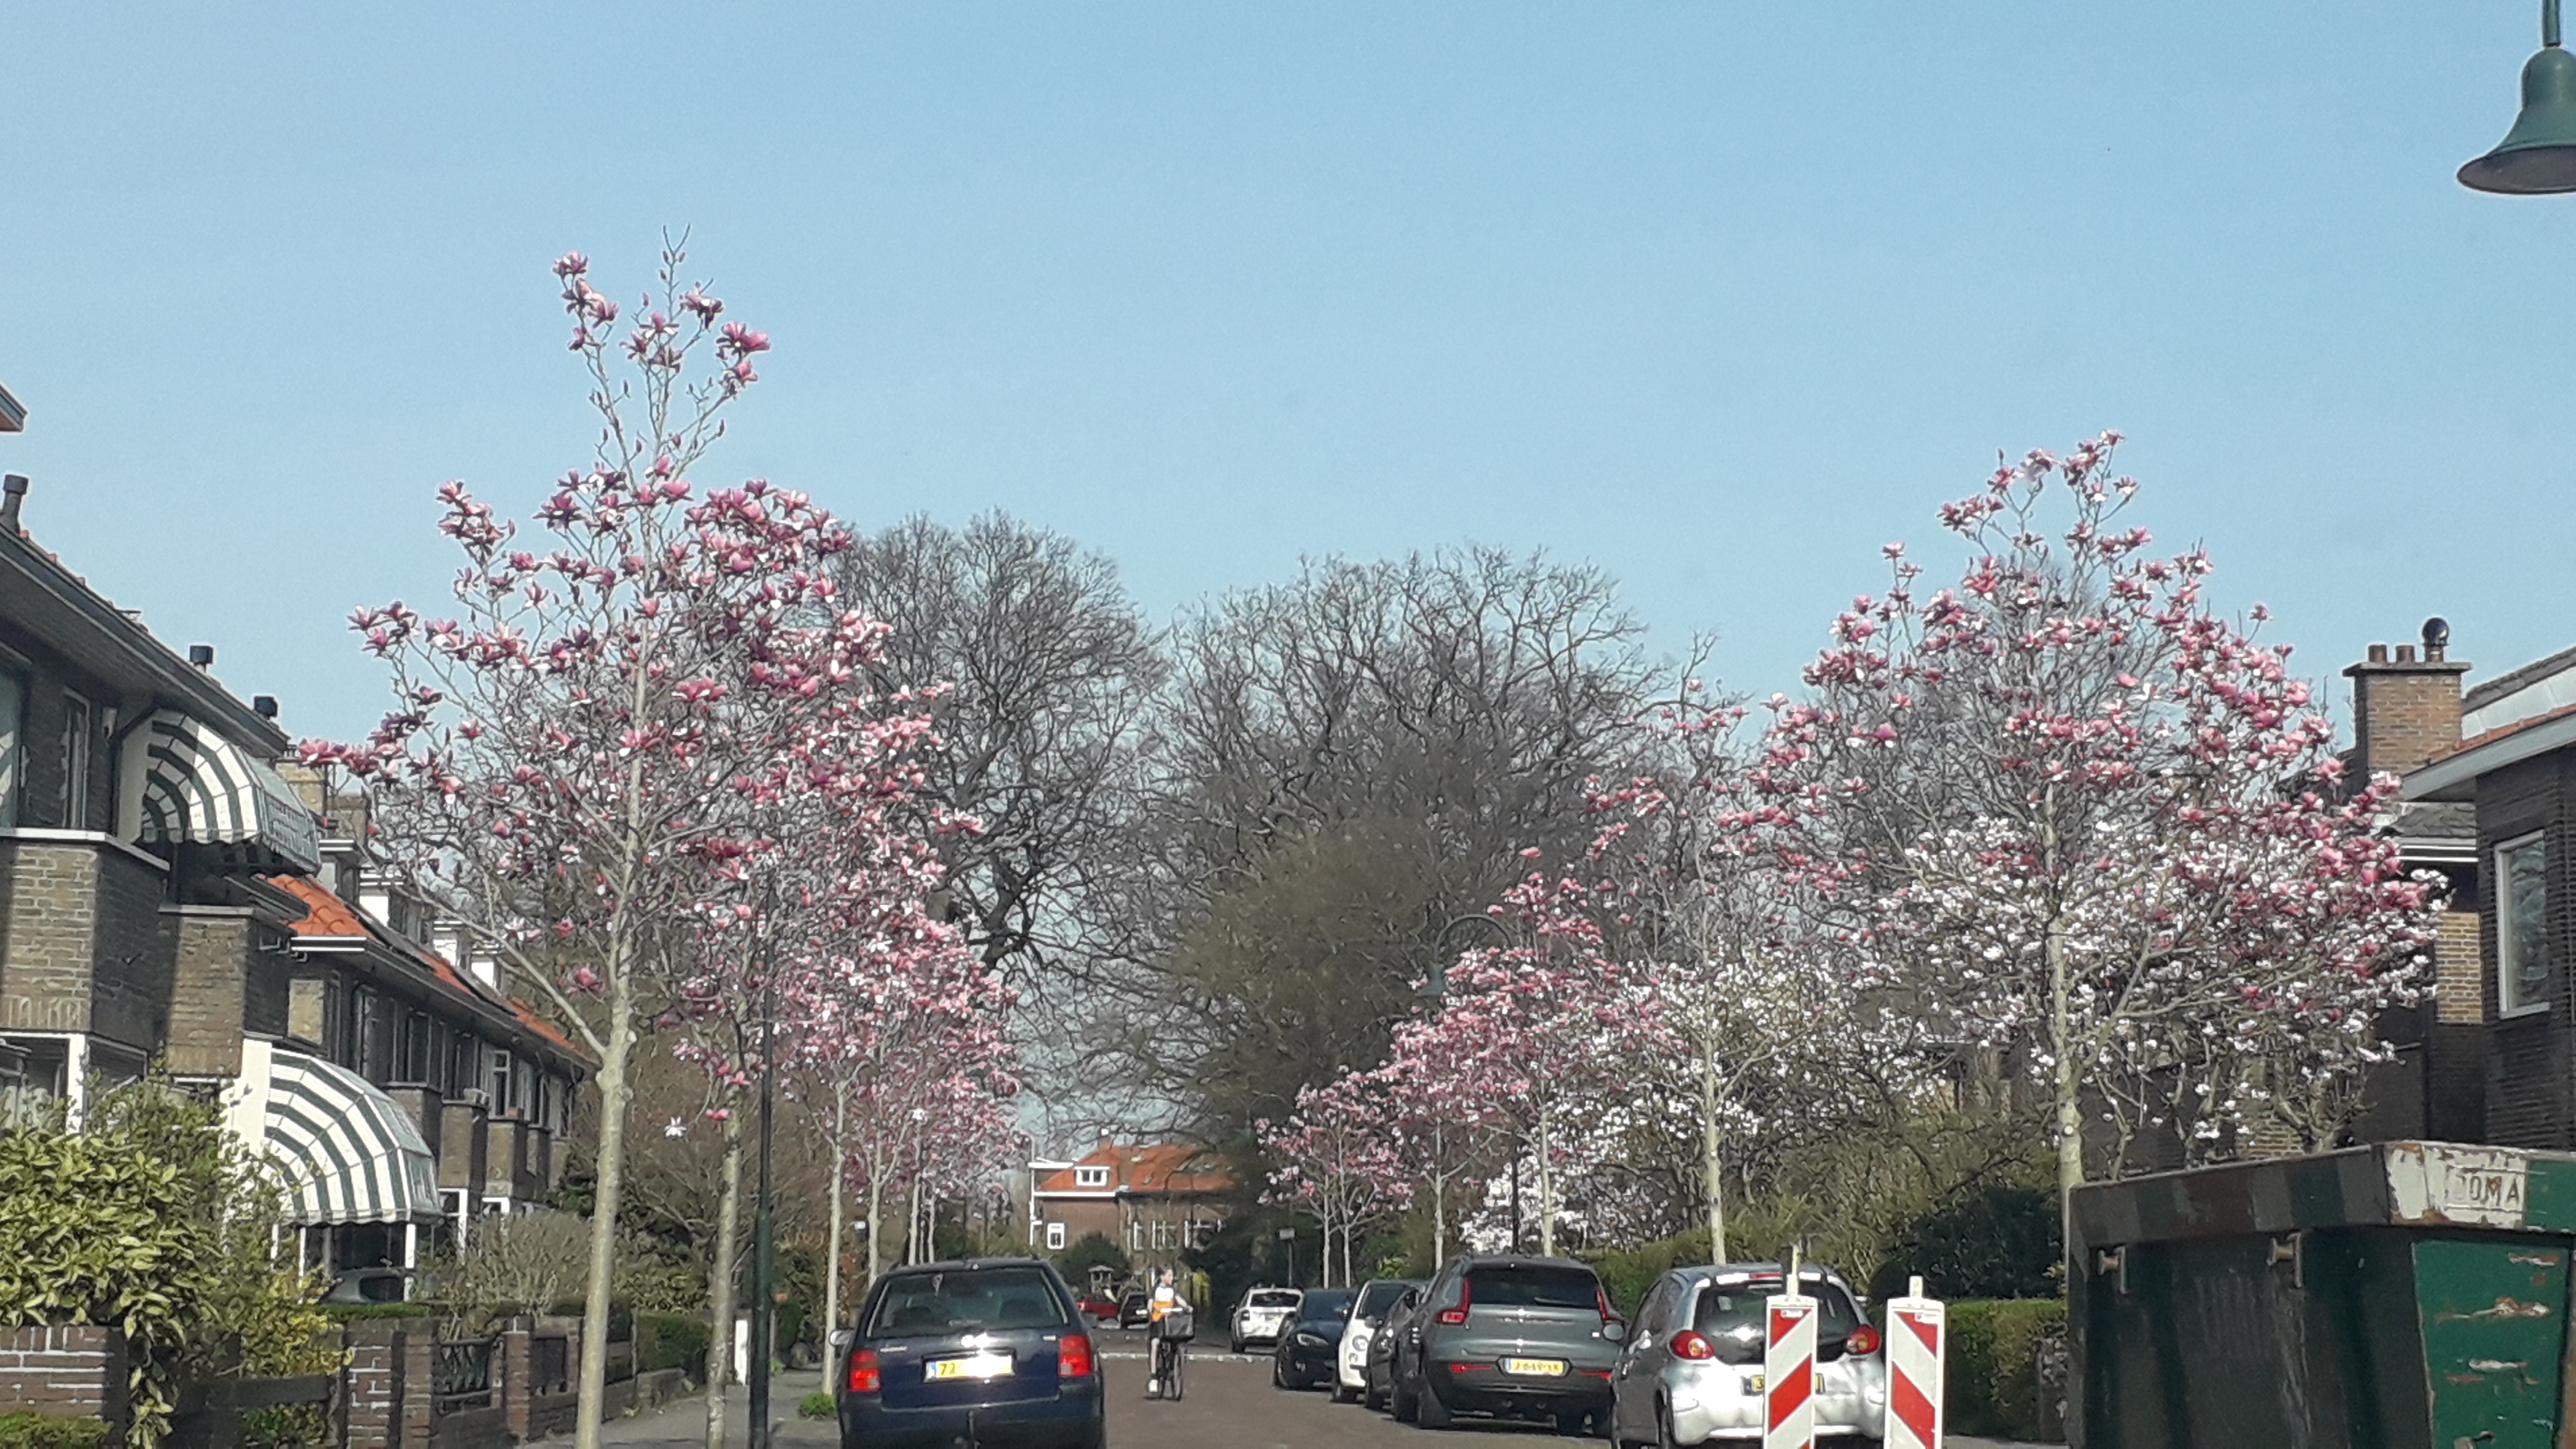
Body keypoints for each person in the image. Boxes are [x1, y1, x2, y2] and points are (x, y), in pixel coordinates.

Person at [1146, 1268, 1190, 1399]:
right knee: (1155, 1344)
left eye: (1172, 1275)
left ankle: (1174, 1363)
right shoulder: (1155, 1290)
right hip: (1158, 1322)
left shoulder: (1172, 1290)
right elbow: (1150, 1304)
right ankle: (1154, 1377)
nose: (1172, 1278)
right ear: (1162, 1277)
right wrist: (1151, 1311)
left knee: (1176, 1340)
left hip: (1170, 1323)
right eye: (1169, 1275)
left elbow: (1179, 1300)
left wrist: (1187, 1307)